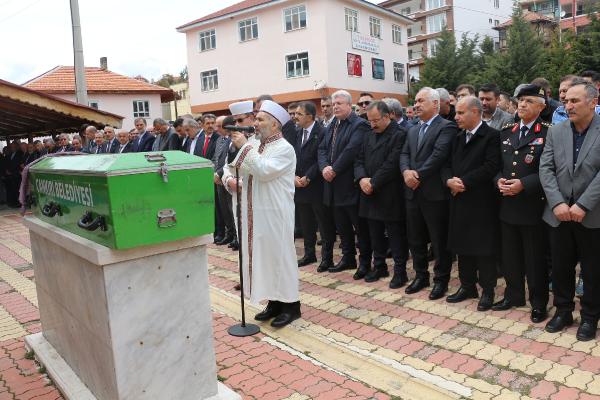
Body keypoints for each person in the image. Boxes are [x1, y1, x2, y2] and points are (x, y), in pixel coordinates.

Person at [228, 99, 300, 328]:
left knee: (280, 257)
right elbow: (241, 168)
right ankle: (274, 302)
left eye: (260, 119)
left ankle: (291, 305)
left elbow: (264, 171)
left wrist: (245, 147)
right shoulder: (259, 145)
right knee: (265, 257)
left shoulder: (284, 148)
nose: (255, 123)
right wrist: (242, 148)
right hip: (258, 210)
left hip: (276, 212)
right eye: (256, 119)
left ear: (275, 125)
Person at [540, 79, 600, 341]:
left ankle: (590, 317)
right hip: (559, 214)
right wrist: (557, 203)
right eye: (566, 101)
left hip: (592, 214)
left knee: (593, 269)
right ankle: (563, 310)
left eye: (575, 100)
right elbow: (546, 168)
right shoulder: (557, 130)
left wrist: (583, 204)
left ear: (593, 103)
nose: (568, 105)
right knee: (561, 267)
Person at [492, 84, 551, 324]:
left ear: (541, 106)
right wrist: (498, 181)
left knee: (535, 258)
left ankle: (538, 303)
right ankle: (513, 295)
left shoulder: (548, 132)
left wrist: (523, 185)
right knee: (510, 256)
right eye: (520, 101)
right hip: (507, 205)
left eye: (528, 100)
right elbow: (496, 165)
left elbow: (550, 171)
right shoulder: (507, 130)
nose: (522, 104)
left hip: (532, 206)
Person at [443, 96, 500, 310]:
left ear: (475, 112)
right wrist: (448, 180)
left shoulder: (492, 136)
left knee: (483, 248)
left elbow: (491, 166)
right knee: (462, 246)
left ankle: (488, 290)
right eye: (456, 113)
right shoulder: (458, 137)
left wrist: (464, 182)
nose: (455, 117)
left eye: (460, 113)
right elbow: (446, 164)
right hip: (458, 199)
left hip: (481, 202)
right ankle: (467, 286)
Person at [399, 87, 457, 300]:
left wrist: (417, 176)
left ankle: (441, 280)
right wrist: (406, 172)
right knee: (415, 238)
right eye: (415, 101)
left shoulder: (446, 127)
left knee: (439, 240)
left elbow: (439, 155)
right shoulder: (412, 129)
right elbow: (404, 153)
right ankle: (421, 275)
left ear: (435, 104)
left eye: (421, 100)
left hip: (434, 193)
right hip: (412, 192)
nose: (416, 104)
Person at [318, 90, 372, 278]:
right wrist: (324, 167)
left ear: (350, 105)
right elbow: (322, 148)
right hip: (332, 186)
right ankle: (348, 258)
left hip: (350, 185)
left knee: (360, 228)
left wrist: (334, 169)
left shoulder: (360, 125)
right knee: (341, 226)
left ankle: (365, 262)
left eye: (339, 103)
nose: (335, 107)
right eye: (334, 104)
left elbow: (352, 150)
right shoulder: (332, 124)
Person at [356, 101, 409, 288]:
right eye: (369, 121)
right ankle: (379, 266)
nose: (372, 124)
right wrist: (362, 178)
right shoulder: (368, 135)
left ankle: (400, 272)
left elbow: (393, 163)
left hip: (390, 192)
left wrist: (373, 182)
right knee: (374, 232)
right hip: (368, 192)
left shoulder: (400, 134)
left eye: (376, 120)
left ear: (387, 116)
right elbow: (359, 159)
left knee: (395, 235)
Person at [294, 101, 336, 270]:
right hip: (300, 185)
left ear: (310, 116)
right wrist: (295, 176)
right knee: (306, 223)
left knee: (324, 224)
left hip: (317, 185)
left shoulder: (322, 132)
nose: (295, 117)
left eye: (299, 114)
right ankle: (309, 254)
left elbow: (321, 157)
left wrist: (308, 177)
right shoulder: (298, 133)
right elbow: (294, 157)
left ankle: (327, 258)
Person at [213, 116, 237, 248]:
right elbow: (216, 158)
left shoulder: (232, 140)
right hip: (219, 180)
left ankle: (236, 236)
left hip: (228, 177)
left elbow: (229, 161)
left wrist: (219, 173)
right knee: (224, 209)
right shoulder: (219, 140)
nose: (217, 129)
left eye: (219, 126)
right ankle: (229, 234)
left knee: (231, 208)